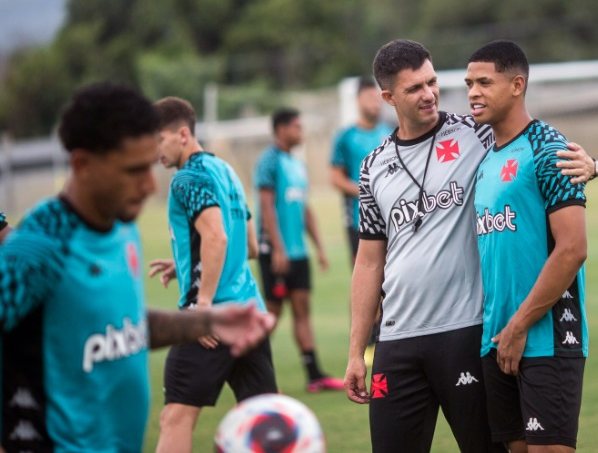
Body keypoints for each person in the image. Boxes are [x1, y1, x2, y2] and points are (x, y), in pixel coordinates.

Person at [344, 39, 596, 453]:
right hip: (396, 340)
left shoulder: (477, 133)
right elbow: (369, 261)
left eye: (431, 82)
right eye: (413, 89)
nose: (428, 94)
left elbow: (536, 147)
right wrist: (357, 350)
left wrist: (591, 165)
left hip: (466, 331)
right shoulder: (373, 166)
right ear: (388, 97)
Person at [0, 82, 273, 453]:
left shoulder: (123, 230)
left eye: (149, 165)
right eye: (133, 170)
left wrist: (205, 321)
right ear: (83, 165)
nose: (149, 185)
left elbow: (121, 323)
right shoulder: (37, 249)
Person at [466, 40, 589, 453]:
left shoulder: (550, 149)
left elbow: (572, 249)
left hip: (546, 338)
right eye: (468, 83)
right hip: (496, 339)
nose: (472, 93)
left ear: (517, 85)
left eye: (484, 82)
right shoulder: (484, 155)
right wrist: (503, 331)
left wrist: (520, 326)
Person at [148, 96, 278, 453]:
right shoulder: (227, 171)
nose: (152, 150)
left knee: (175, 419)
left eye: (157, 139)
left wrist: (202, 307)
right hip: (249, 312)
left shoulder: (186, 178)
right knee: (261, 420)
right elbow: (249, 246)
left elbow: (217, 236)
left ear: (183, 134)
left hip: (211, 319)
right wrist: (185, 262)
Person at [254, 107, 343, 392]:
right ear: (281, 130)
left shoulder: (297, 165)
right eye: (296, 127)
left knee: (302, 310)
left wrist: (319, 247)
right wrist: (277, 249)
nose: (300, 133)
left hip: (298, 252)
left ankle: (314, 375)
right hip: (276, 253)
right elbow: (266, 207)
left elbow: (304, 209)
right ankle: (255, 377)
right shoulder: (268, 161)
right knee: (271, 314)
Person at [330, 76, 393, 365]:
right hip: (358, 220)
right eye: (369, 97)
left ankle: (384, 335)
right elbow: (335, 178)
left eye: (377, 98)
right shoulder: (345, 137)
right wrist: (366, 191)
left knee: (389, 279)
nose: (374, 103)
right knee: (366, 277)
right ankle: (365, 340)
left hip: (391, 219)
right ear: (358, 101)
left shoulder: (389, 132)